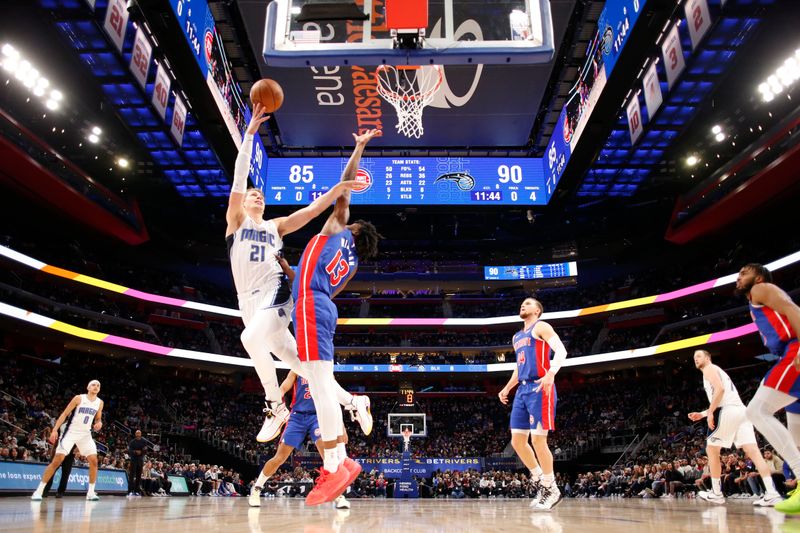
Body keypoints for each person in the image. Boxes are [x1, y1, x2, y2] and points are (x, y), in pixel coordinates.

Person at [228, 104, 372, 442]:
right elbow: (238, 177)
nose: (258, 196)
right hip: (248, 304)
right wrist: (248, 137)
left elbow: (310, 211)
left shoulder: (275, 226)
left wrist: (337, 191)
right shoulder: (235, 222)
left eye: (261, 195)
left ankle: (274, 404)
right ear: (243, 203)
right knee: (302, 366)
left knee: (249, 339)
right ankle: (354, 401)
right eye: (253, 195)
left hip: (275, 293)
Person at [292, 128, 383, 506]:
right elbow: (324, 285)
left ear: (355, 229)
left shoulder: (337, 230)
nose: (347, 218)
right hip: (320, 303)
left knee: (317, 380)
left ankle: (336, 461)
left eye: (351, 220)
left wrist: (359, 147)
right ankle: (347, 418)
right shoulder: (353, 263)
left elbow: (344, 186)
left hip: (311, 305)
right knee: (305, 370)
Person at [736, 263, 800, 513]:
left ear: (759, 276)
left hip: (794, 350)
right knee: (796, 437)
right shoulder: (754, 300)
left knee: (756, 411)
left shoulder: (761, 289)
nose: (739, 277)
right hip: (788, 352)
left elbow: (793, 308)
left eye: (744, 273)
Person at [688, 349, 782, 506]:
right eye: (694, 357)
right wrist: (704, 413)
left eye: (699, 356)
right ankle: (772, 493)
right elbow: (725, 396)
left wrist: (711, 412)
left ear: (708, 357)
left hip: (728, 411)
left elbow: (720, 390)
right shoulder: (719, 371)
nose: (696, 359)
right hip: (741, 412)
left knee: (712, 450)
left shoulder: (709, 369)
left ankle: (717, 493)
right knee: (753, 452)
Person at [499, 297, 567, 511]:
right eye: (522, 303)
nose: (523, 305)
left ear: (537, 310)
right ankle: (540, 481)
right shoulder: (517, 336)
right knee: (518, 441)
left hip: (540, 387)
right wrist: (507, 387)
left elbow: (562, 351)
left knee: (539, 441)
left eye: (528, 303)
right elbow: (519, 368)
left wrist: (551, 374)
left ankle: (551, 486)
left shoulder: (542, 326)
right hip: (522, 389)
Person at [248, 371, 350, 509]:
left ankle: (338, 495)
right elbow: (284, 387)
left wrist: (340, 426)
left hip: (318, 416)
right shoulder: (296, 368)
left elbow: (335, 397)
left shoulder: (323, 368)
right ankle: (256, 489)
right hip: (297, 417)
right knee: (279, 458)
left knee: (328, 457)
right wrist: (276, 399)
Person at [31, 380, 104, 501]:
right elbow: (64, 414)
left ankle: (91, 493)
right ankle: (38, 491)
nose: (96, 387)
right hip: (71, 432)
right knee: (56, 461)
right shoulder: (79, 398)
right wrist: (54, 430)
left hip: (85, 434)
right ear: (88, 387)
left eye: (98, 386)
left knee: (94, 461)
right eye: (93, 385)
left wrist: (99, 423)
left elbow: (98, 418)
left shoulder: (100, 402)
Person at [127, 429, 147, 496]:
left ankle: (136, 491)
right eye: (137, 433)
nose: (138, 434)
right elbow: (130, 451)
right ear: (135, 434)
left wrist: (141, 452)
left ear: (141, 434)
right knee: (131, 476)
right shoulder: (132, 442)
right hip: (133, 460)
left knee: (138, 476)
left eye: (139, 433)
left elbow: (145, 450)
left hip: (140, 460)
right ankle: (130, 491)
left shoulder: (144, 441)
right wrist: (135, 452)